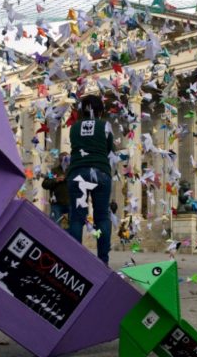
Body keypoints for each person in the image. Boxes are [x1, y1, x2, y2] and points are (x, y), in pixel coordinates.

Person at [67, 95, 114, 265]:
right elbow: (110, 149)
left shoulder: (73, 127)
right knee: (102, 217)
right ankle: (103, 261)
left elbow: (76, 146)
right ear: (100, 110)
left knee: (77, 218)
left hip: (77, 172)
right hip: (100, 172)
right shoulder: (105, 126)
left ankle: (74, 261)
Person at [42, 152, 70, 226]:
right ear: (60, 161)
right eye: (62, 160)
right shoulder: (53, 171)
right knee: (55, 226)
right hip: (57, 205)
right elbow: (45, 184)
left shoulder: (72, 170)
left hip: (71, 204)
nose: (64, 162)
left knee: (72, 228)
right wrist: (56, 180)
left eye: (66, 159)